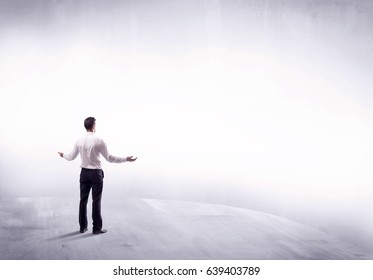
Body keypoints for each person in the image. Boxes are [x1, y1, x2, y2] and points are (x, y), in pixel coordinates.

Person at [58, 117, 137, 234]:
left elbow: (71, 157)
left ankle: (82, 227)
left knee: (83, 200)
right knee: (96, 201)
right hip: (96, 174)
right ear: (94, 126)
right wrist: (126, 159)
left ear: (86, 126)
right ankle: (96, 228)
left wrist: (63, 154)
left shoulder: (79, 141)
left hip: (84, 173)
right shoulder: (100, 140)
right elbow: (110, 158)